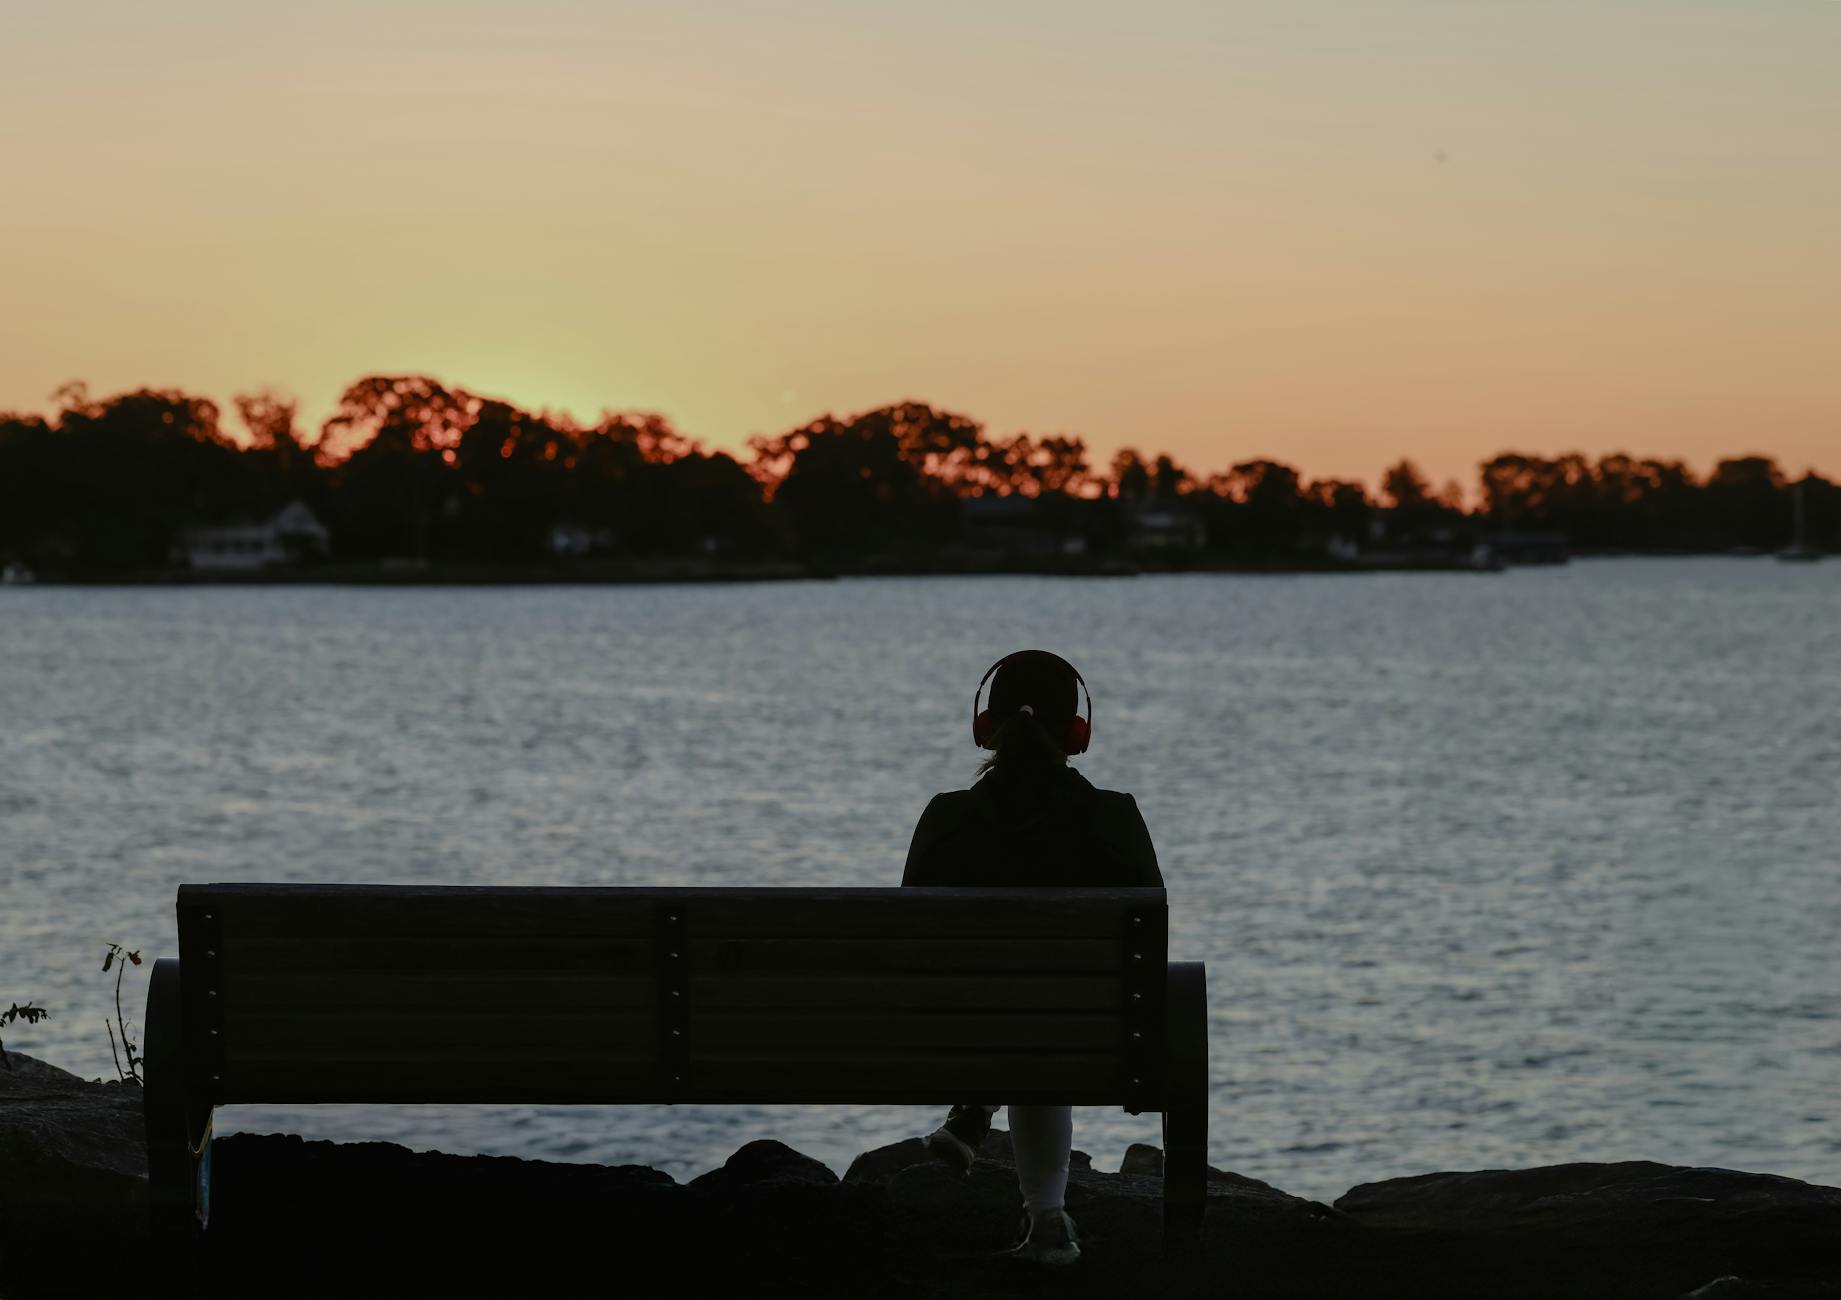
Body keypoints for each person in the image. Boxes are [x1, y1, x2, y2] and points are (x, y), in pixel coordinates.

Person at [901, 649, 1163, 1267]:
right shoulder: (1113, 819)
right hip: (1092, 1040)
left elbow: (911, 948)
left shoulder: (948, 817)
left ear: (984, 727)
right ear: (1078, 732)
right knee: (1050, 1014)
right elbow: (1149, 953)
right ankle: (1046, 1216)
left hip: (949, 1039)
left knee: (1016, 1010)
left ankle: (979, 1104)